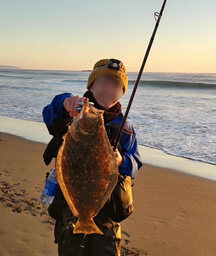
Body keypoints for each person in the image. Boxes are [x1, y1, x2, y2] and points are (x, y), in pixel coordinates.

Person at [42, 58, 143, 256]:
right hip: (71, 207)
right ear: (91, 84)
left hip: (107, 212)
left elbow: (136, 163)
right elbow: (50, 115)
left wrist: (121, 161)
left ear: (123, 92)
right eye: (104, 82)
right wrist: (65, 103)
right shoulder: (75, 111)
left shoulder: (126, 130)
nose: (109, 89)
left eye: (116, 85)